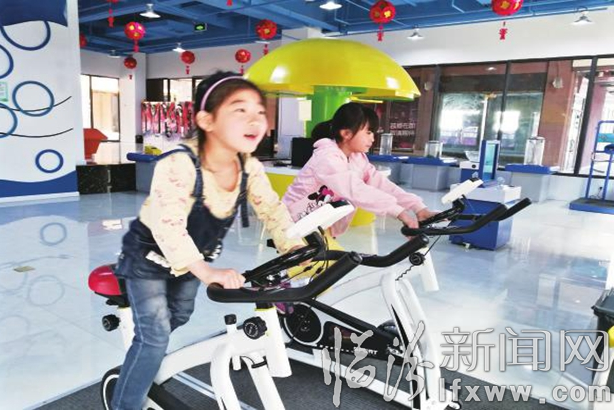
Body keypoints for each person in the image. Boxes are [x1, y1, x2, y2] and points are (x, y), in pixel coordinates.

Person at [111, 71, 304, 410]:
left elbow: (272, 209)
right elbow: (168, 225)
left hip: (191, 259)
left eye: (259, 111)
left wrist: (295, 246)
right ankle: (124, 403)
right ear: (206, 120)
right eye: (239, 110)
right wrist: (207, 271)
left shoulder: (249, 167)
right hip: (148, 259)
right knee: (154, 336)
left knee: (180, 314)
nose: (254, 120)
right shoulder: (178, 163)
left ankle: (145, 355)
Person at [282, 102, 436, 280]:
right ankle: (281, 286)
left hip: (318, 223)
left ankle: (288, 289)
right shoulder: (327, 158)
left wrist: (418, 207)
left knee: (325, 272)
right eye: (368, 132)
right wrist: (400, 213)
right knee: (328, 268)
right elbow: (356, 190)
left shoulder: (357, 158)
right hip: (292, 222)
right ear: (346, 133)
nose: (373, 139)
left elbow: (381, 184)